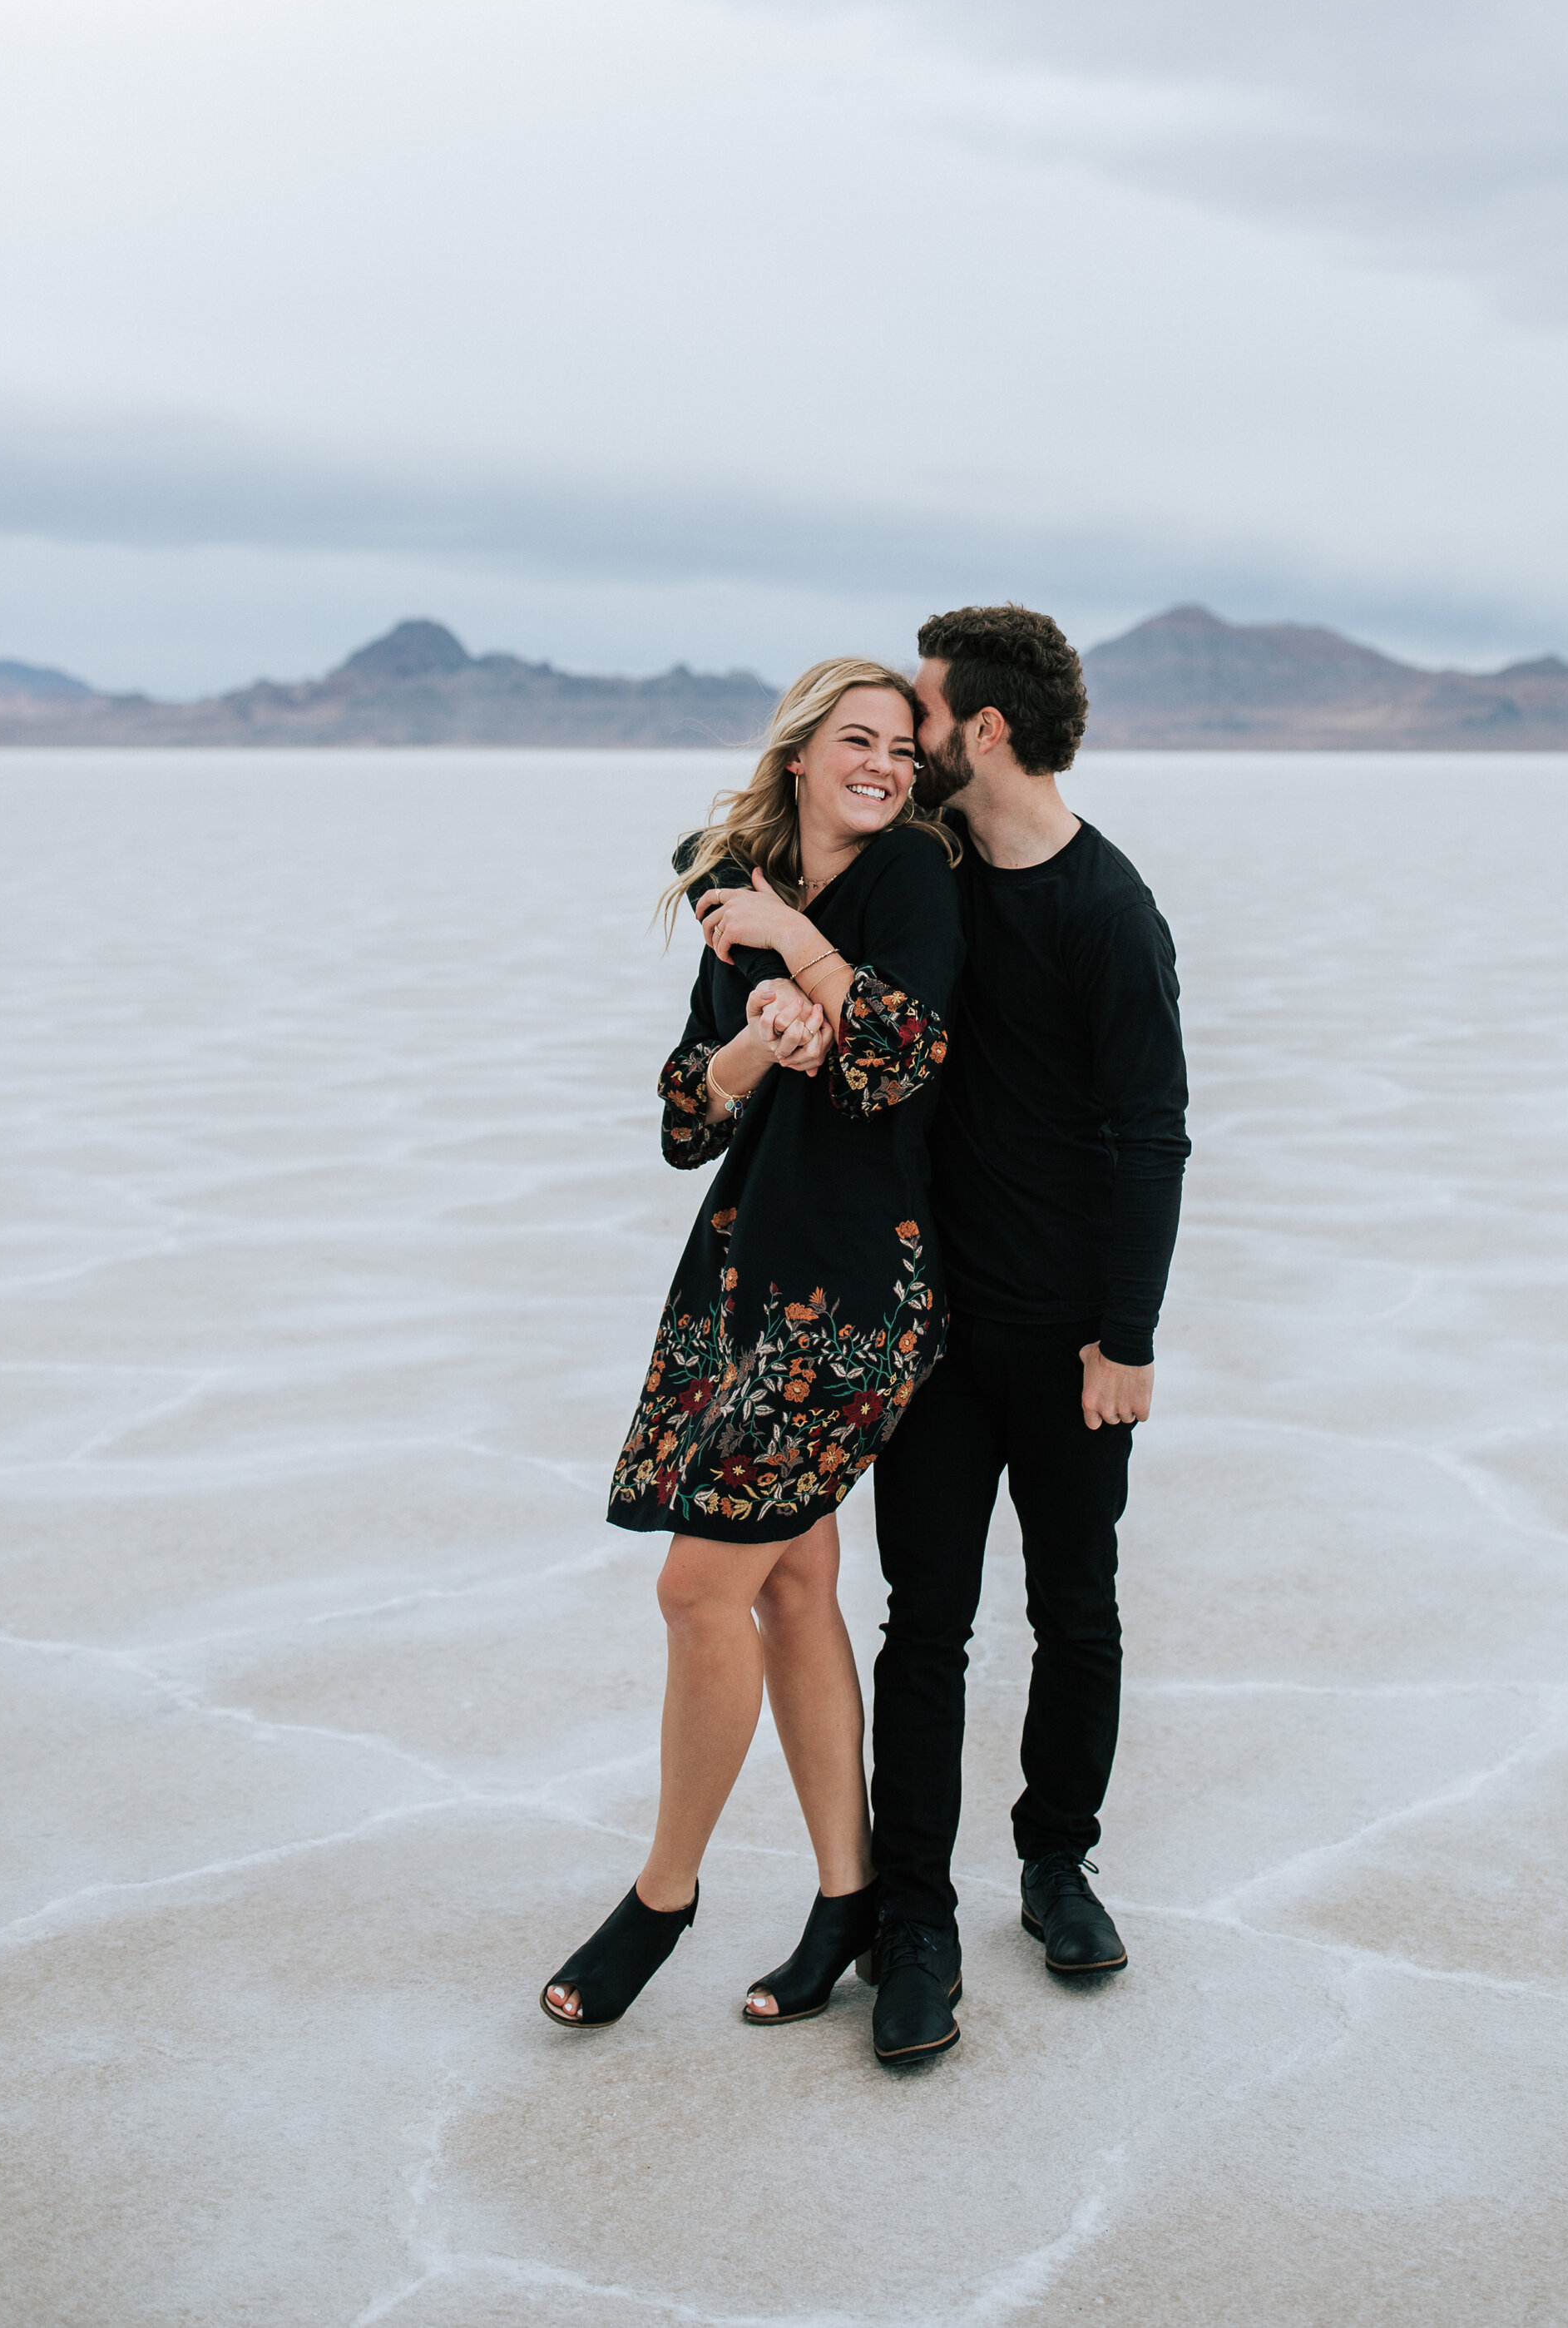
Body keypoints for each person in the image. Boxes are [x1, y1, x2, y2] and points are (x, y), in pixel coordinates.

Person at [544, 658, 962, 2033]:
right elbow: (683, 1118)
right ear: (800, 753)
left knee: (694, 1591)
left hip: (851, 1305)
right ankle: (847, 1894)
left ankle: (663, 1897)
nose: (887, 763)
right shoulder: (730, 893)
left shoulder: (906, 878)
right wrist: (753, 1048)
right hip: (740, 1286)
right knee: (792, 1587)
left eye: (904, 745)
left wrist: (803, 950)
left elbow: (899, 1054)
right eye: (859, 739)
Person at [864, 602, 1189, 2067]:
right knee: (926, 1627)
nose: (913, 737)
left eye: (923, 714)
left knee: (1078, 1608)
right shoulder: (924, 881)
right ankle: (915, 1920)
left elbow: (1153, 1137)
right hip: (935, 1342)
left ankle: (1057, 1862)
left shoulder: (1110, 913)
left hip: (1069, 1348)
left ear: (982, 730)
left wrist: (1126, 1339)